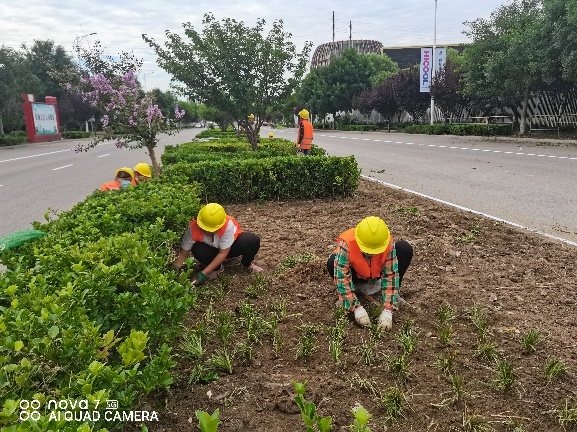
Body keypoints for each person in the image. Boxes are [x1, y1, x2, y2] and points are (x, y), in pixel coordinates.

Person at [327, 216, 413, 331]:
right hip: (357, 276)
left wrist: (388, 310)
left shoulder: (386, 242)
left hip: (377, 274)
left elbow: (391, 274)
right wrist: (356, 308)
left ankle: (389, 293)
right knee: (332, 262)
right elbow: (341, 275)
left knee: (404, 248)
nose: (371, 254)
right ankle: (349, 295)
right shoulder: (347, 243)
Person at [171, 203, 263, 285]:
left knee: (252, 240)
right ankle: (217, 268)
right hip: (210, 250)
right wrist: (173, 271)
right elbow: (183, 254)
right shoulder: (193, 227)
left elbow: (222, 253)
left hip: (230, 248)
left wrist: (203, 274)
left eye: (210, 229)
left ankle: (247, 264)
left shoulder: (227, 225)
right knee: (197, 248)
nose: (206, 230)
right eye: (204, 227)